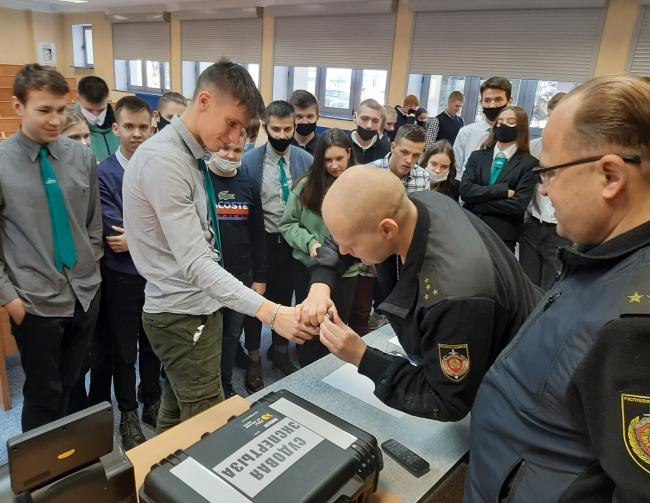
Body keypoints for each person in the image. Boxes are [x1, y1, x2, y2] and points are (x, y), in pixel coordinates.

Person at [465, 74, 650, 503]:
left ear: (610, 176)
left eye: (549, 171)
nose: (544, 188)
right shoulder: (601, 253)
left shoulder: (634, 327)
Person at [123, 61, 316, 433]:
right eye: (231, 124)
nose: (233, 138)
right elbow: (196, 263)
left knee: (177, 411)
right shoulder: (165, 161)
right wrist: (272, 313)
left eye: (241, 129)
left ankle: (158, 468)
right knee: (206, 426)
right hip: (183, 314)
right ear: (205, 101)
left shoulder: (188, 154)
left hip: (195, 306)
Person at [300, 167, 540, 421]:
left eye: (350, 245)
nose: (343, 251)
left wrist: (361, 356)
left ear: (387, 229)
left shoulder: (453, 296)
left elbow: (445, 401)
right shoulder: (419, 204)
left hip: (517, 394)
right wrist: (320, 286)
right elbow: (342, 238)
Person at [0, 64, 102, 431]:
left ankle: (74, 456)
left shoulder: (81, 157)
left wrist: (92, 268)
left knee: (74, 384)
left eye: (61, 109)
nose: (56, 120)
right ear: (18, 106)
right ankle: (41, 465)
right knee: (44, 394)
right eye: (44, 110)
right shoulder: (2, 163)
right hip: (34, 302)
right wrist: (10, 298)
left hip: (85, 292)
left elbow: (92, 222)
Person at [94, 96, 161, 449]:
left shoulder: (160, 168)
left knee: (153, 342)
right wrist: (153, 234)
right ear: (116, 129)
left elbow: (170, 222)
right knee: (123, 349)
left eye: (143, 127)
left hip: (157, 274)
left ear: (153, 128)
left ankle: (151, 398)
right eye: (129, 127)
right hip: (121, 276)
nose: (137, 134)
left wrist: (138, 237)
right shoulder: (104, 173)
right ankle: (129, 412)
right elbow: (114, 235)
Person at [240, 100, 314, 376]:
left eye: (287, 129)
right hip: (262, 242)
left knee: (285, 299)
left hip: (291, 244)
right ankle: (254, 357)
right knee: (256, 301)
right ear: (265, 127)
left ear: (294, 127)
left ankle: (280, 351)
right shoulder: (250, 162)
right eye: (276, 130)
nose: (282, 136)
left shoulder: (306, 161)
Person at [280, 129, 359, 366]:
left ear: (349, 153)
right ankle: (306, 370)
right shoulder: (306, 185)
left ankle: (329, 372)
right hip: (307, 267)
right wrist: (310, 243)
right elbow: (288, 224)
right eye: (328, 160)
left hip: (346, 271)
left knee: (336, 327)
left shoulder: (360, 185)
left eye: (339, 158)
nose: (334, 165)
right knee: (309, 327)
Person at [208, 135, 268, 396]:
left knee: (232, 335)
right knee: (207, 336)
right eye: (224, 149)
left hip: (241, 275)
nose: (230, 155)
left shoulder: (248, 184)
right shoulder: (200, 180)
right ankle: (206, 387)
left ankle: (225, 385)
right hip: (207, 276)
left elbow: (257, 234)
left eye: (237, 150)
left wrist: (260, 277)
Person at [459, 106, 538, 253]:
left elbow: (517, 206)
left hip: (503, 236)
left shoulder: (529, 163)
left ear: (521, 127)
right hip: (471, 228)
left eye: (510, 122)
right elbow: (465, 191)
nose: (503, 125)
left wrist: (476, 202)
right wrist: (501, 191)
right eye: (500, 121)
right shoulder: (477, 156)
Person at [519, 92, 571, 290]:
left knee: (553, 285)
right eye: (550, 117)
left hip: (560, 229)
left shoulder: (581, 151)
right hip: (532, 224)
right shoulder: (534, 147)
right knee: (527, 282)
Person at [454, 77, 512, 179]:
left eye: (498, 100)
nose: (492, 105)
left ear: (509, 101)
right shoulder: (466, 133)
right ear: (481, 102)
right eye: (487, 100)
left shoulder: (516, 136)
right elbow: (456, 170)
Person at [370, 124, 430, 192]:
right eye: (404, 152)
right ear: (393, 147)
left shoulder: (423, 176)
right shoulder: (369, 172)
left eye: (416, 155)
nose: (409, 160)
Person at [77, 75, 119, 162]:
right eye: (89, 110)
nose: (96, 116)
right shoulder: (68, 128)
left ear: (108, 100)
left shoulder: (119, 124)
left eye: (101, 110)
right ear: (78, 99)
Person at [350, 99, 391, 164]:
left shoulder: (388, 150)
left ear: (381, 122)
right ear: (355, 117)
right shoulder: (343, 145)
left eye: (375, 121)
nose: (369, 126)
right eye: (364, 119)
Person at [289, 89, 320, 155]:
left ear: (317, 118)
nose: (305, 122)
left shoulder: (325, 147)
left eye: (310, 116)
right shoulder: (282, 146)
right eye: (299, 117)